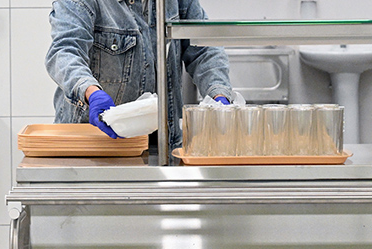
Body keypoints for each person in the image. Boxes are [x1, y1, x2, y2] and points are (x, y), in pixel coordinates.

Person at [45, 0, 233, 150]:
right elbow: (65, 52)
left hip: (162, 145)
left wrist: (218, 93)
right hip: (93, 144)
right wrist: (90, 92)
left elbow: (204, 50)